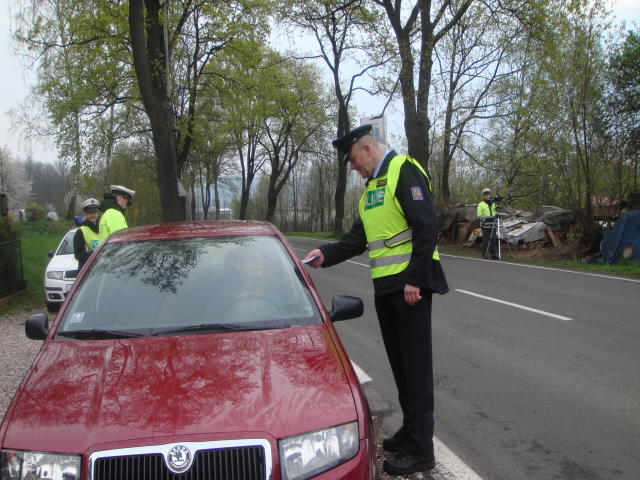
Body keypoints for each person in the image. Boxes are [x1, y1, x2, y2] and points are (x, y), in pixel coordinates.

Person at [304, 125, 448, 476]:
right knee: (401, 369)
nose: (352, 167)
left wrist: (415, 279)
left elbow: (427, 224)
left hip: (409, 290)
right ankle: (410, 431)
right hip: (386, 291)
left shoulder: (403, 170)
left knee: (416, 371)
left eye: (353, 159)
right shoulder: (371, 191)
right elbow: (358, 239)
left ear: (367, 149)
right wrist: (324, 253)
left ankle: (421, 450)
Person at [74, 198, 100, 271]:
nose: (93, 214)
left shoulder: (102, 228)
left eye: (95, 212)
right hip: (88, 271)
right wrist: (95, 254)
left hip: (102, 270)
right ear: (85, 214)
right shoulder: (80, 232)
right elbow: (78, 255)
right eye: (90, 212)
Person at [477, 188, 499, 259]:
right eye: (486, 195)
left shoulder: (493, 204)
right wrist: (486, 219)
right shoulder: (481, 204)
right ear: (484, 196)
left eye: (488, 194)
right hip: (485, 227)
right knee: (486, 241)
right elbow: (479, 216)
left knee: (493, 241)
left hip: (493, 226)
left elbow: (496, 213)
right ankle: (485, 254)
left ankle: (493, 254)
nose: (487, 196)